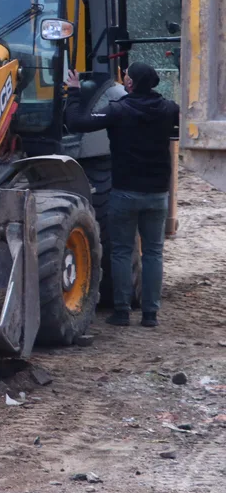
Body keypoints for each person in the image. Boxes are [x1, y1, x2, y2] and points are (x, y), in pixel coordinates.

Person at [65, 62, 179, 327]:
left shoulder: (118, 111)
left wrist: (73, 91)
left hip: (125, 194)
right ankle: (150, 315)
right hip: (157, 195)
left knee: (121, 251)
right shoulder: (169, 109)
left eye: (125, 75)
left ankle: (122, 312)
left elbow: (76, 122)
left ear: (129, 84)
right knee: (153, 253)